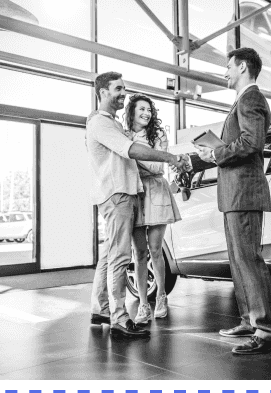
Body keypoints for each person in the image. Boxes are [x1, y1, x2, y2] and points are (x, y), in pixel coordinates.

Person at [175, 48, 271, 354]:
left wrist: (217, 153)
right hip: (233, 194)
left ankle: (267, 330)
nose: (225, 72)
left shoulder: (251, 99)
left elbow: (251, 143)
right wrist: (205, 158)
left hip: (244, 193)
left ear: (243, 67)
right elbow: (233, 147)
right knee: (239, 262)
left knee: (249, 261)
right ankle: (250, 320)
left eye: (228, 67)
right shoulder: (243, 101)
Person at [87, 71, 189, 338]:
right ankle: (120, 318)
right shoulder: (101, 123)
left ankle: (100, 308)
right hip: (118, 195)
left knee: (110, 254)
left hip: (126, 194)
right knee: (122, 256)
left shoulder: (110, 123)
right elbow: (130, 150)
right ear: (102, 92)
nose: (123, 93)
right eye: (118, 89)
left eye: (124, 89)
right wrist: (170, 157)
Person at [123, 94, 181, 324]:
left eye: (149, 109)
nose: (146, 113)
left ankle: (161, 296)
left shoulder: (158, 134)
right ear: (132, 112)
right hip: (135, 193)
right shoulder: (124, 135)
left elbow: (158, 165)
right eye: (141, 109)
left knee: (156, 249)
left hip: (156, 190)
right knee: (138, 253)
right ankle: (144, 305)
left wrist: (134, 154)